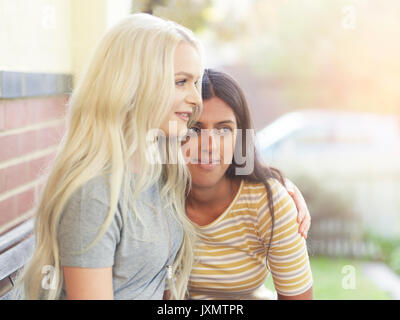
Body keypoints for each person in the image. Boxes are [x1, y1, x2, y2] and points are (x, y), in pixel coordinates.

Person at [13, 13, 203, 300]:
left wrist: (278, 190)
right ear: (135, 83)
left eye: (196, 83)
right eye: (181, 82)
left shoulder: (157, 168)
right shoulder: (94, 194)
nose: (196, 99)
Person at [183, 69, 313, 300]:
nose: (209, 145)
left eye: (224, 129)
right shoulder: (156, 195)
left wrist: (278, 185)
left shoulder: (269, 202)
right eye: (194, 129)